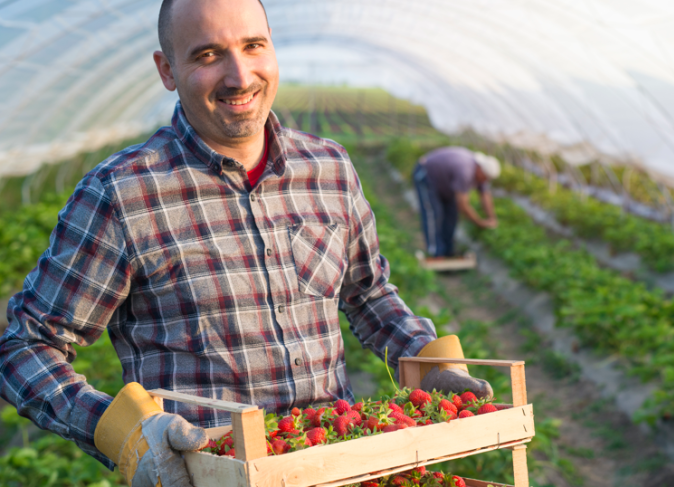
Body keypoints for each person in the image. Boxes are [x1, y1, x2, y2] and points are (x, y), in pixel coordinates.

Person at [0, 1, 491, 486]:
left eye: (253, 46)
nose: (239, 76)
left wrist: (429, 361)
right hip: (207, 475)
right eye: (207, 55)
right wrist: (126, 434)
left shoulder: (330, 170)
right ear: (166, 70)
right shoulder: (122, 194)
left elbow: (366, 292)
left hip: (335, 467)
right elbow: (25, 345)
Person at [412, 147, 501, 257]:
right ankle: (435, 252)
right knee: (433, 214)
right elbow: (463, 205)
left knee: (452, 215)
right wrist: (479, 222)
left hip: (445, 184)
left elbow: (485, 195)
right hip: (426, 175)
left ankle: (447, 250)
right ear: (480, 169)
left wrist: (492, 218)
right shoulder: (465, 171)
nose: (485, 181)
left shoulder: (480, 173)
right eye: (486, 177)